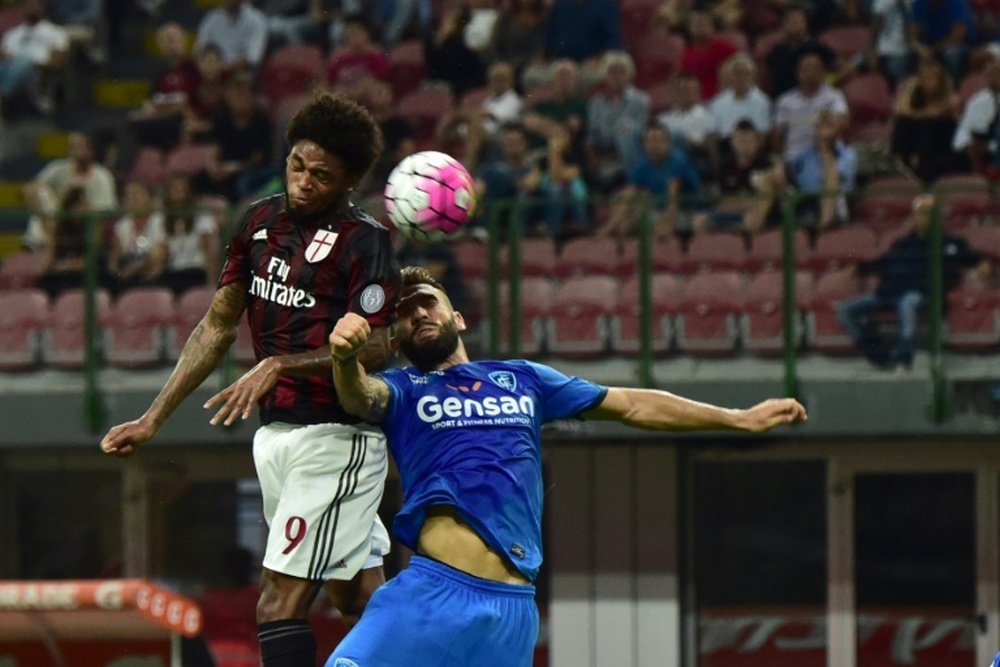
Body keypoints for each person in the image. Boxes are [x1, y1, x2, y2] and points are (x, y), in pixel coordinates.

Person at [324, 265, 808, 666]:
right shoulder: (405, 389)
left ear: (458, 317)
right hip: (435, 592)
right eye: (405, 313)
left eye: (427, 301)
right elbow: (360, 396)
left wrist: (736, 418)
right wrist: (345, 360)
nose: (419, 314)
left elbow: (631, 405)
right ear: (394, 338)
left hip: (514, 610)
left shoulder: (521, 379)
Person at [99, 92, 402, 667]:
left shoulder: (367, 242)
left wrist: (281, 362)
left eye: (322, 175)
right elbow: (216, 324)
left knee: (277, 603)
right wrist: (153, 417)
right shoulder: (258, 222)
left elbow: (381, 347)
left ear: (346, 183)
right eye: (297, 165)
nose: (305, 181)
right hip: (276, 439)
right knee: (359, 597)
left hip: (337, 437)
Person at [837, 194, 991, 370]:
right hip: (888, 293)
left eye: (930, 213)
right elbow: (882, 263)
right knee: (845, 310)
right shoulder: (902, 243)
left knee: (907, 302)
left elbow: (975, 260)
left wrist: (982, 265)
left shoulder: (951, 243)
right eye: (922, 213)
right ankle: (881, 357)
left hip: (924, 295)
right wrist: (859, 269)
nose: (926, 217)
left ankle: (904, 359)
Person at [22, 132, 117, 252]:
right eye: (74, 147)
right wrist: (46, 219)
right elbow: (30, 189)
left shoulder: (102, 176)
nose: (77, 152)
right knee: (42, 193)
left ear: (91, 150)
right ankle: (37, 243)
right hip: (55, 221)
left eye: (82, 147)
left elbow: (105, 210)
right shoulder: (58, 168)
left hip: (84, 225)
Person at [891, 58, 962, 183]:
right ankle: (899, 160)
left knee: (932, 123)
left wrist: (920, 115)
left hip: (943, 144)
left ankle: (919, 161)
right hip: (918, 138)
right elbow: (899, 110)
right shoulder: (915, 92)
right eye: (924, 78)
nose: (927, 82)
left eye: (931, 78)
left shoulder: (950, 96)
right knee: (904, 122)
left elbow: (937, 112)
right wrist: (911, 87)